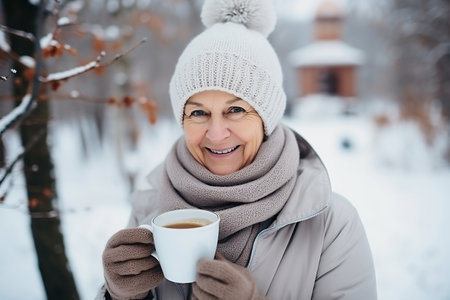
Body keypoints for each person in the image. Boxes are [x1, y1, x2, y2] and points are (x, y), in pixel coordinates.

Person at [97, 0, 377, 299]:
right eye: (198, 113)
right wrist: (119, 295)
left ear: (266, 118)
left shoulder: (327, 223)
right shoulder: (148, 212)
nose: (216, 134)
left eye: (235, 110)